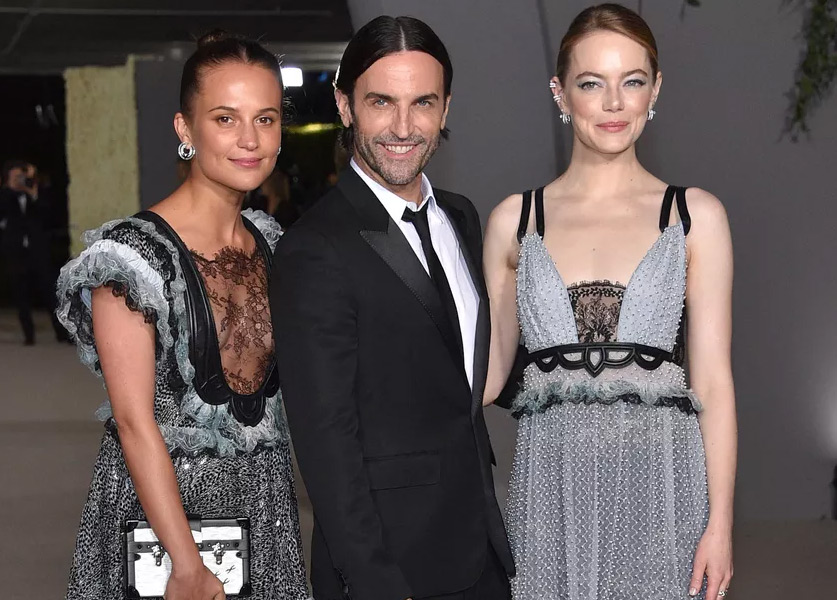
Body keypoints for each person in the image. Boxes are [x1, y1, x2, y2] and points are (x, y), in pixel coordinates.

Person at [483, 4, 737, 600]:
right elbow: (487, 378)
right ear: (560, 92)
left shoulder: (696, 216)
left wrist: (720, 523)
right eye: (591, 83)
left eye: (633, 81)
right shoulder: (514, 222)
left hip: (664, 485)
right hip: (551, 490)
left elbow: (715, 384)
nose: (614, 103)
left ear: (656, 90)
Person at [55, 31, 308, 600]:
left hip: (265, 515)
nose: (249, 140)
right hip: (164, 530)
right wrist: (186, 562)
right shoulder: (131, 257)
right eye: (225, 118)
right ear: (184, 129)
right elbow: (133, 422)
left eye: (266, 119)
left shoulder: (273, 245)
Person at [271, 16, 514, 600]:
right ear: (345, 105)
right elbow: (325, 441)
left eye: (422, 102)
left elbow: (461, 371)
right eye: (381, 102)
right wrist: (376, 581)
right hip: (387, 566)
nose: (403, 127)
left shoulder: (461, 216)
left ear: (446, 108)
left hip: (478, 544)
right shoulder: (314, 248)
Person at [0, 159, 68, 344]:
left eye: (23, 176)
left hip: (38, 251)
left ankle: (61, 333)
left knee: (50, 292)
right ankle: (29, 336)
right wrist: (10, 187)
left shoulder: (38, 194)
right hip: (15, 252)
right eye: (16, 177)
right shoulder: (6, 196)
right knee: (21, 293)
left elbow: (49, 215)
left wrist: (33, 191)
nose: (20, 180)